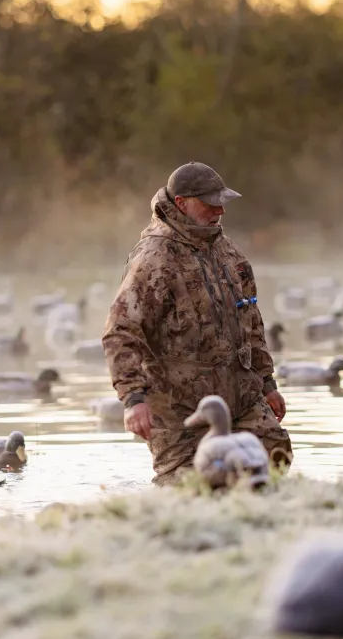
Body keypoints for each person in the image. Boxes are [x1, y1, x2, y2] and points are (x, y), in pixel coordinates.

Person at [102, 162, 292, 486]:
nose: (220, 210)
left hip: (243, 397)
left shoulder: (227, 251)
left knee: (275, 458)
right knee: (189, 487)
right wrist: (133, 399)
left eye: (222, 201)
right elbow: (120, 332)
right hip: (182, 411)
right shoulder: (154, 259)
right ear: (182, 203)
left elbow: (251, 320)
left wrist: (267, 383)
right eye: (210, 203)